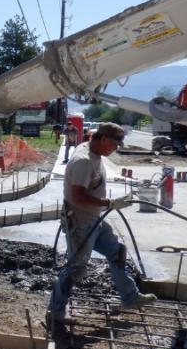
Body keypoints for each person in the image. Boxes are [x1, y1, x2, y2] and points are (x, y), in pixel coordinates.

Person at [48, 122, 155, 324]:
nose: (115, 150)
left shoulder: (94, 152)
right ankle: (56, 311)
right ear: (104, 139)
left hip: (94, 220)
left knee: (117, 252)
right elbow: (78, 198)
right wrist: (110, 203)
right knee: (75, 268)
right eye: (114, 145)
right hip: (80, 223)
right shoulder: (83, 161)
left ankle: (130, 297)